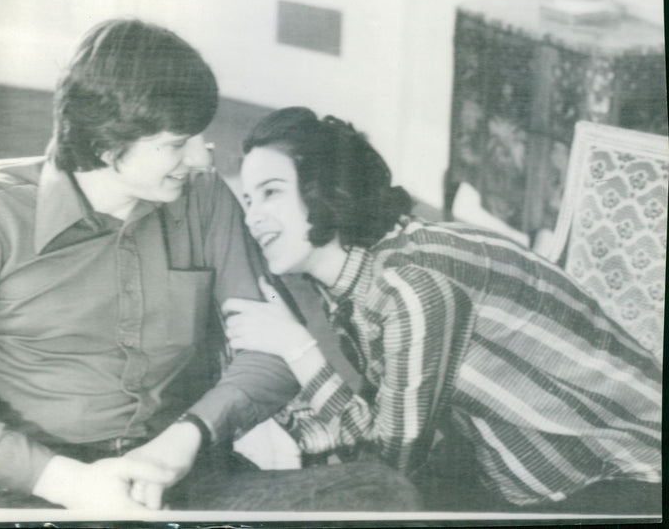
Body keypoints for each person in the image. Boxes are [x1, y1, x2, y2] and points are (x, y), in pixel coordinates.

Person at [0, 19, 306, 511]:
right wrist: (68, 483)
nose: (203, 160)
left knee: (376, 497)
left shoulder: (204, 200)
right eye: (175, 143)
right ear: (106, 144)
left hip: (180, 471)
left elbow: (274, 350)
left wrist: (179, 446)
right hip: (30, 486)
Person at [225, 106, 662, 512]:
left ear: (326, 189)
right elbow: (382, 422)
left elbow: (384, 474)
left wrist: (297, 347)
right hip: (521, 467)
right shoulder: (363, 276)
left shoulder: (412, 284)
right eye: (248, 200)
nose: (252, 218)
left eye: (270, 193)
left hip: (624, 469)